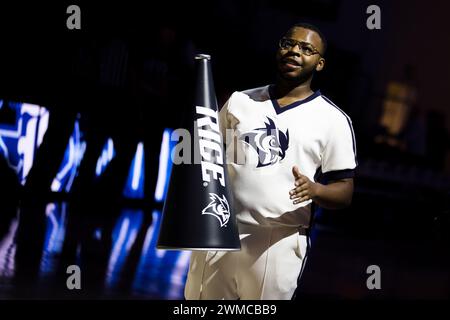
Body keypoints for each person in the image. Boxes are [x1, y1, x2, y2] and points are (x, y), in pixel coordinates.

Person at [184, 23, 357, 300]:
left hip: (278, 241)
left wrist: (316, 190)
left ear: (320, 63)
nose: (294, 51)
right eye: (288, 44)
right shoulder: (241, 101)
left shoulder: (333, 120)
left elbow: (345, 190)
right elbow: (205, 156)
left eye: (306, 48)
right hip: (221, 229)